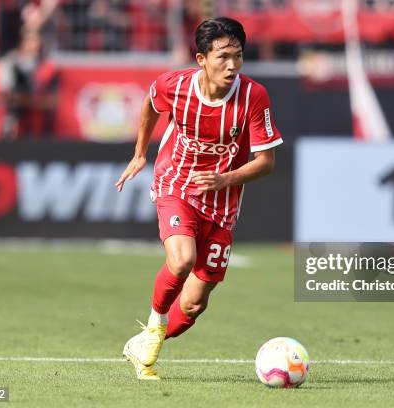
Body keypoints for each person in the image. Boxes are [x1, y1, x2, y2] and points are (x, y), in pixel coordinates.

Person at [115, 17, 283, 380]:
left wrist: (225, 178)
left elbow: (266, 163)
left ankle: (143, 341)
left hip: (222, 202)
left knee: (192, 304)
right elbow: (150, 102)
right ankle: (155, 325)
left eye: (238, 56)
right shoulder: (175, 86)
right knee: (182, 259)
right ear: (201, 58)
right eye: (223, 56)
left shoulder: (254, 96)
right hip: (177, 182)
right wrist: (141, 152)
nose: (232, 65)